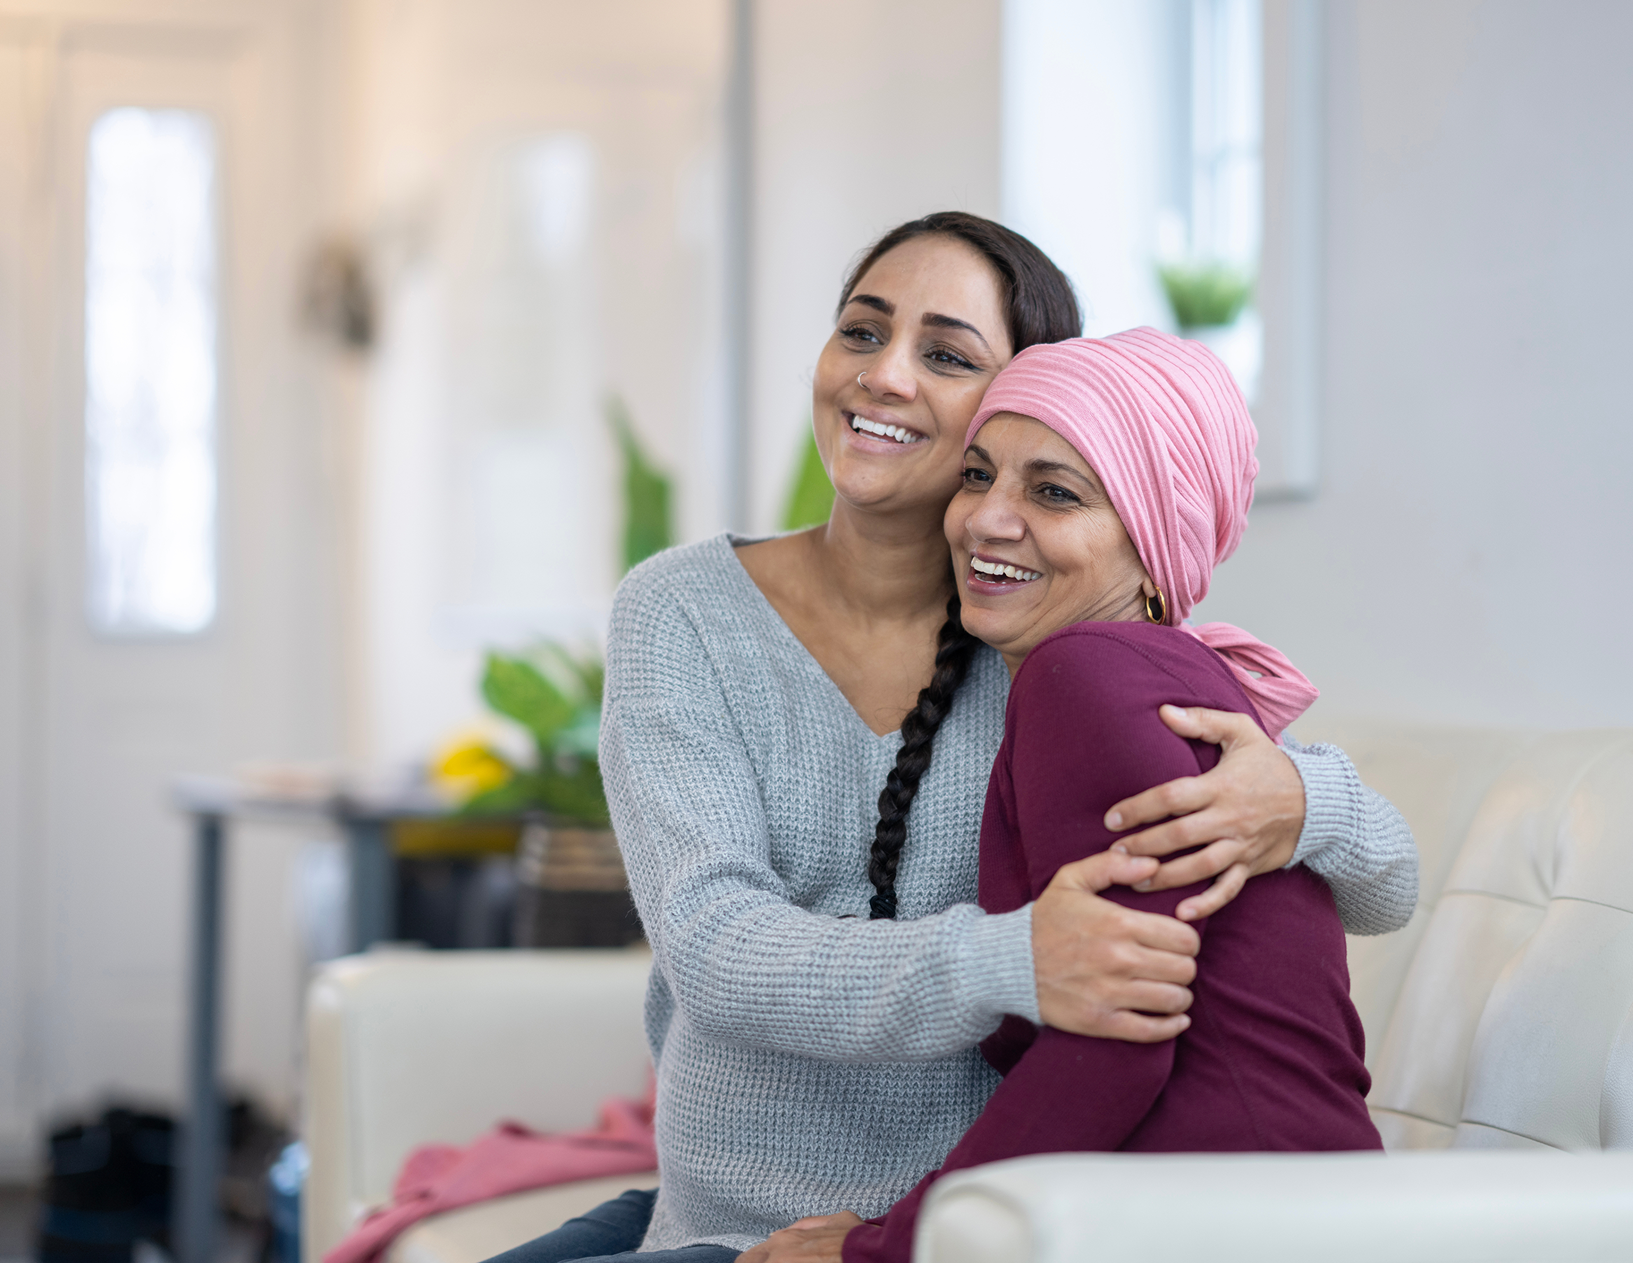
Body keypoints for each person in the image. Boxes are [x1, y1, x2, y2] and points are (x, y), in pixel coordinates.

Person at [487, 214, 1414, 1263]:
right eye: (862, 331)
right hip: (729, 1212)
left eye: (945, 355)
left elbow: (1381, 880)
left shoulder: (1045, 630)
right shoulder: (683, 611)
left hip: (937, 1225)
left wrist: (1305, 799)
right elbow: (713, 945)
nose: (883, 376)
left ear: (1027, 398)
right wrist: (1015, 959)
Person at [740, 329, 1382, 1263]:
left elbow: (1117, 1038)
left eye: (1054, 493)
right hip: (1257, 1209)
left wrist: (883, 1247)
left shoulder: (1083, 675)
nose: (986, 520)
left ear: (1152, 544)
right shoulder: (1153, 673)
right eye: (977, 476)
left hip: (1239, 1225)